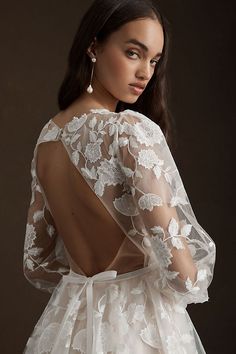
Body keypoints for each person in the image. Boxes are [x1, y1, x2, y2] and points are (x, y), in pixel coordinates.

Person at [22, 0, 216, 353]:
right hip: (138, 326)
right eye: (133, 53)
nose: (146, 72)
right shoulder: (128, 132)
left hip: (71, 326)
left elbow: (37, 263)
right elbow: (183, 277)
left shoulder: (46, 140)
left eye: (154, 60)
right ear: (93, 47)